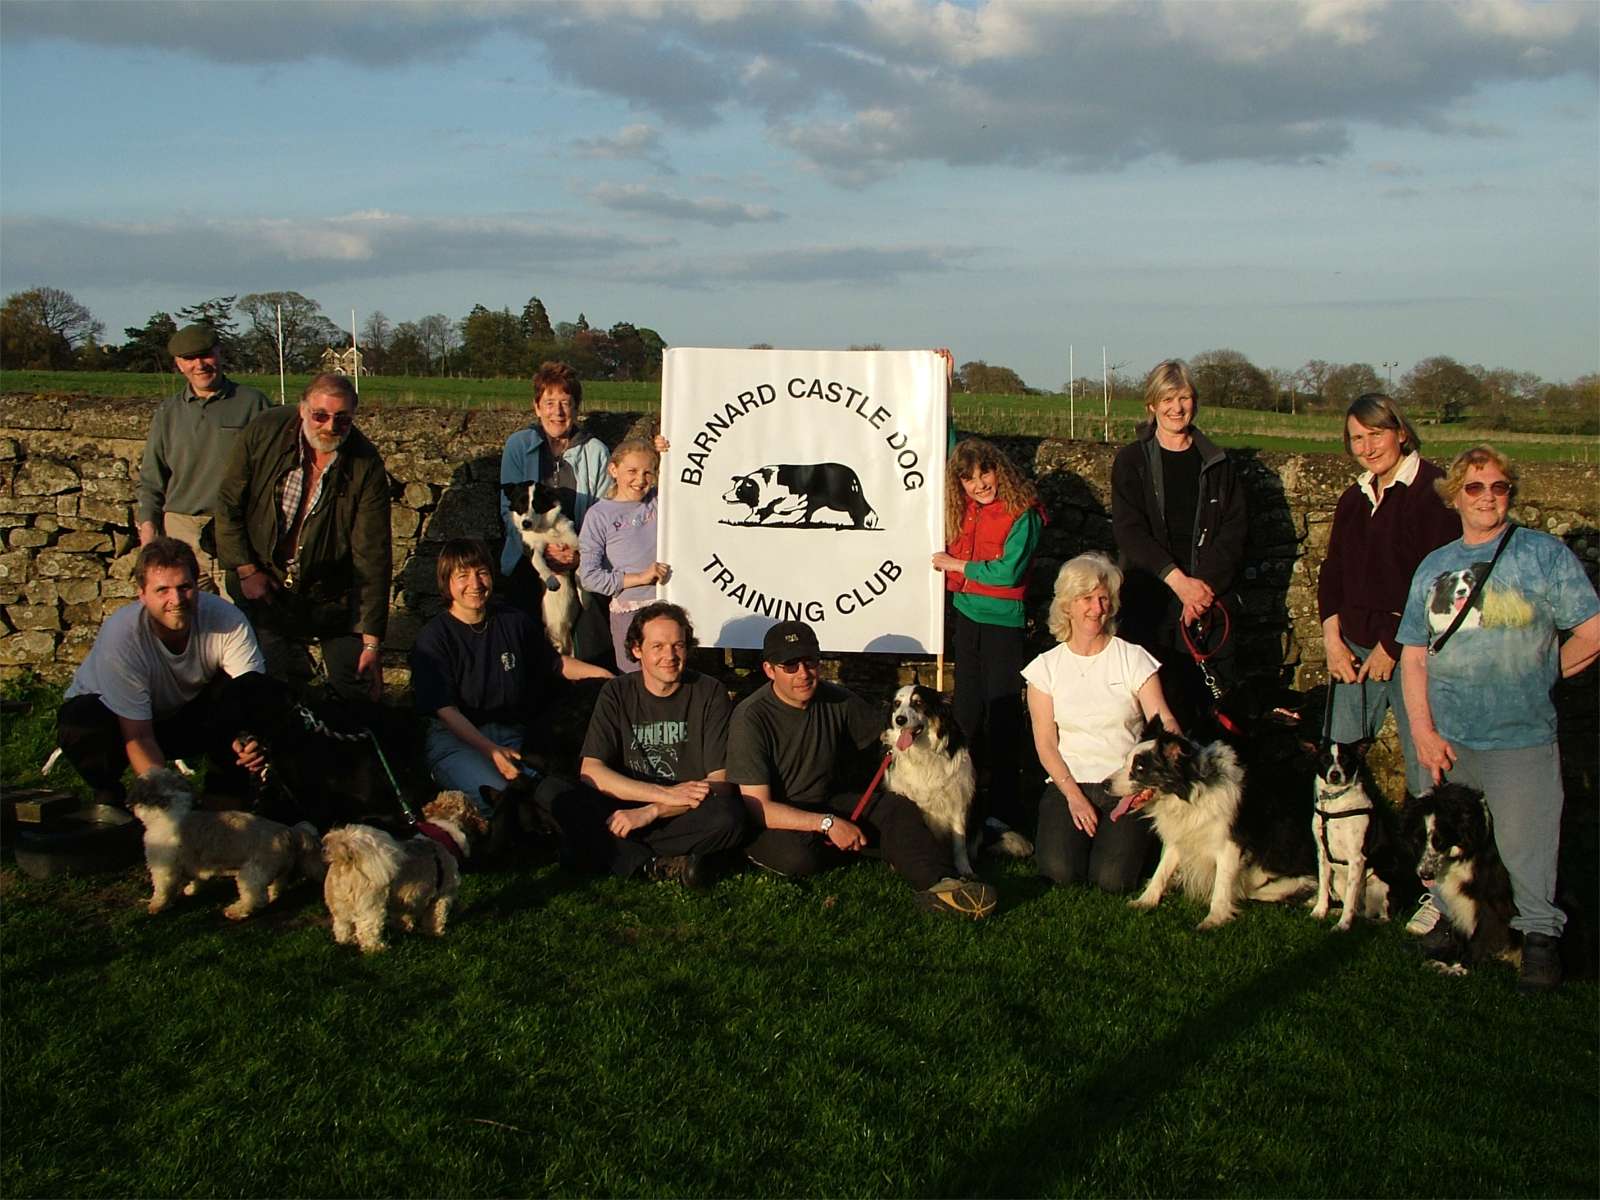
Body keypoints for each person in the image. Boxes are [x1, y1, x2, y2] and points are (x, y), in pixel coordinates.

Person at [1397, 445, 1600, 993]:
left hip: (1521, 735)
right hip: (1449, 736)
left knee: (1526, 844)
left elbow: (1593, 631)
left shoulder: (1544, 556)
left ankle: (1538, 941)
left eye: (1500, 487)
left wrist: (1542, 672)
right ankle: (1449, 919)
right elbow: (1413, 654)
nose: (1488, 497)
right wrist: (1421, 730)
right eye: (1475, 487)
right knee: (1442, 840)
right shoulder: (1435, 566)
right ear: (1455, 495)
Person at [725, 620, 998, 918]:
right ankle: (855, 847)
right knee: (800, 857)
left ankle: (943, 885)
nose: (803, 674)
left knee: (898, 808)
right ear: (769, 670)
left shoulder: (838, 699)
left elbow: (887, 733)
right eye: (790, 666)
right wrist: (827, 824)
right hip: (778, 816)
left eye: (811, 662)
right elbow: (758, 807)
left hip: (829, 799)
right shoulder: (750, 717)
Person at [537, 602, 749, 886]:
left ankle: (612, 853)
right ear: (637, 650)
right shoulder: (617, 691)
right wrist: (660, 793)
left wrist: (654, 809)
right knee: (551, 790)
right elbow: (593, 771)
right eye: (658, 646)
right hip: (624, 805)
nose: (670, 656)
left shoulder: (709, 691)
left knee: (730, 815)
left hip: (684, 811)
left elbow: (720, 782)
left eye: (678, 645)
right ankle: (657, 862)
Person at [56, 538, 273, 809]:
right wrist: (170, 806)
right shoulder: (122, 636)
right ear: (142, 594)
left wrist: (251, 740)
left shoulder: (228, 620)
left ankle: (225, 804)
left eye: (184, 587)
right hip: (118, 724)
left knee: (239, 695)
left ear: (197, 585)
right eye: (163, 590)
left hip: (183, 715)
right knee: (82, 719)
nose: (176, 600)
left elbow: (254, 695)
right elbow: (138, 736)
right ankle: (110, 796)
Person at [215, 373, 391, 705]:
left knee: (354, 686)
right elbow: (228, 504)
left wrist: (371, 641)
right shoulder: (265, 432)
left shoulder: (365, 464)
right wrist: (246, 569)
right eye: (320, 415)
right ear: (302, 410)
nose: (329, 426)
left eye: (342, 418)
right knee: (267, 682)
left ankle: (353, 748)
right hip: (262, 580)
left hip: (329, 591)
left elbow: (373, 553)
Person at [1317, 393, 1460, 803]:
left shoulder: (1432, 494)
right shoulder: (1354, 498)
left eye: (1375, 434)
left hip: (1415, 650)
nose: (1366, 448)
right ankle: (1344, 860)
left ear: (1400, 432)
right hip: (1354, 649)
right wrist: (1332, 642)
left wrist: (1392, 646)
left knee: (1427, 763)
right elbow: (1334, 573)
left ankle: (1432, 859)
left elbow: (1435, 585)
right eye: (1356, 438)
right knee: (1336, 761)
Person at [409, 538, 612, 811]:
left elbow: (553, 664)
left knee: (553, 793)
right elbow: (446, 710)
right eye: (463, 576)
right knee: (504, 798)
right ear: (446, 583)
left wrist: (607, 678)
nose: (475, 584)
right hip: (458, 740)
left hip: (512, 735)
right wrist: (490, 751)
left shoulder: (512, 621)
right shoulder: (434, 638)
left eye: (481, 573)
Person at [1024, 553, 1181, 893]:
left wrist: (1173, 755)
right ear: (1067, 606)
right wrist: (1073, 796)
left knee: (1113, 880)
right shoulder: (1045, 669)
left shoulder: (1133, 658)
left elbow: (1162, 718)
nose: (1096, 608)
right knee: (1060, 873)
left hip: (1125, 785)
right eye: (1086, 599)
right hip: (1069, 783)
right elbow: (1045, 744)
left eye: (1103, 598)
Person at [1111, 359, 1247, 730]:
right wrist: (1177, 582)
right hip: (1150, 603)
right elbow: (1130, 531)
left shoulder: (1218, 463)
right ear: (1151, 406)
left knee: (1211, 715)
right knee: (1152, 716)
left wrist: (1201, 590)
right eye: (1167, 399)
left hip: (1207, 604)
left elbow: (1234, 531)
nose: (1176, 408)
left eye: (1184, 398)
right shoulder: (1131, 461)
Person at [931, 436, 1042, 836]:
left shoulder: (1022, 513)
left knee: (1003, 717)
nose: (979, 484)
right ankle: (965, 803)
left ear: (999, 469)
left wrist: (956, 563)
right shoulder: (965, 508)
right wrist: (942, 384)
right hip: (966, 616)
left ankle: (1005, 809)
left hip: (1003, 623)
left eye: (985, 473)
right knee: (965, 715)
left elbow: (1009, 572)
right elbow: (940, 432)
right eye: (968, 479)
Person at [136, 324, 270, 594]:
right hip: (181, 531)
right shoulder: (168, 412)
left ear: (219, 353)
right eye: (189, 359)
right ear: (178, 364)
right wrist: (149, 531)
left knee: (238, 620)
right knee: (186, 620)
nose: (199, 365)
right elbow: (152, 478)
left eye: (206, 355)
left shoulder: (253, 404)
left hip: (236, 530)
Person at [499, 360, 613, 664]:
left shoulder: (596, 452)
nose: (558, 411)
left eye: (565, 402)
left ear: (577, 407)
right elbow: (507, 510)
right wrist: (542, 552)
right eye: (549, 403)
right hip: (527, 562)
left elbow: (604, 515)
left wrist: (579, 556)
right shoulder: (518, 446)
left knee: (591, 652)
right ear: (536, 407)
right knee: (527, 651)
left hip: (582, 562)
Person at [577, 440, 671, 673]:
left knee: (669, 674)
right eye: (632, 471)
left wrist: (667, 448)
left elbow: (681, 477)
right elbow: (589, 576)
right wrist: (640, 577)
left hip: (668, 606)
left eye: (648, 472)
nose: (640, 480)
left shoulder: (659, 502)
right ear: (613, 470)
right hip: (631, 613)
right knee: (634, 681)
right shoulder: (598, 515)